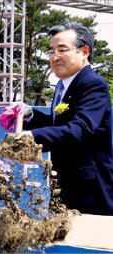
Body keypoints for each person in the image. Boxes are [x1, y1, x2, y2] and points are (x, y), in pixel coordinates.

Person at [18, 22, 113, 215]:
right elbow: (60, 125)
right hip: (64, 184)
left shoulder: (93, 84)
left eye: (62, 50)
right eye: (51, 51)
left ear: (84, 51)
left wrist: (31, 137)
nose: (55, 57)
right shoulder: (63, 86)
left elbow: (80, 129)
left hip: (90, 191)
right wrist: (31, 116)